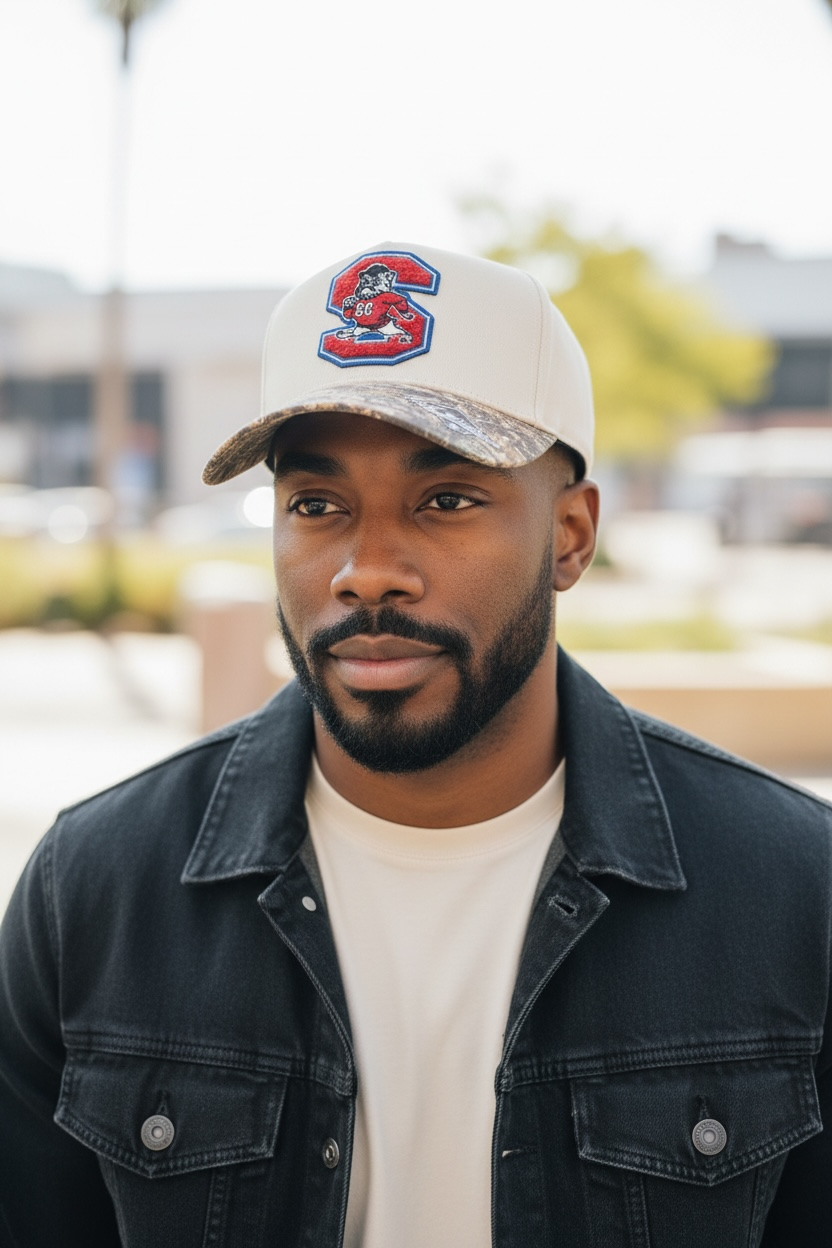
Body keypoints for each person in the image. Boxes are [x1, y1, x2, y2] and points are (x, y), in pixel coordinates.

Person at [0, 242, 830, 1248]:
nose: (365, 570)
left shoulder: (791, 891)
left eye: (446, 500)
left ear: (569, 536)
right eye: (315, 504)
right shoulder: (93, 890)